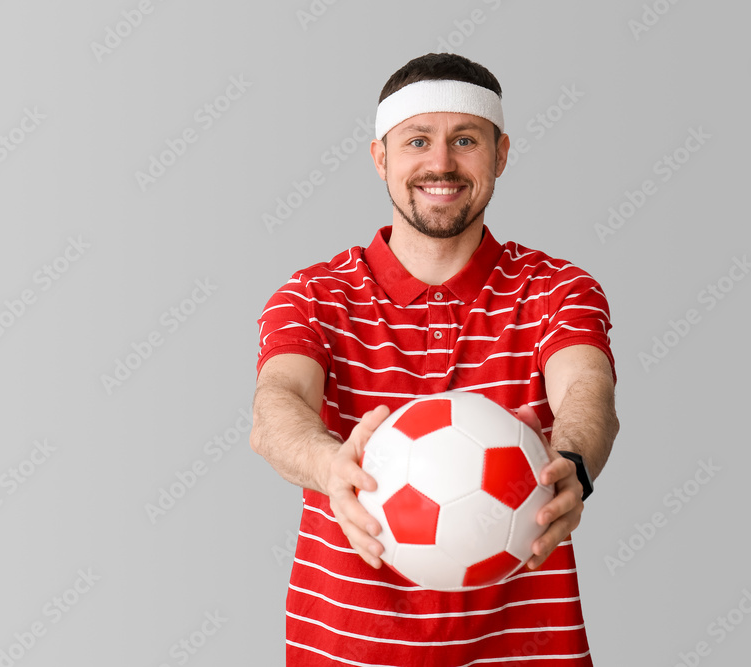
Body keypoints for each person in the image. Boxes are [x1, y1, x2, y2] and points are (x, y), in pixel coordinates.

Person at [251, 53, 619, 665]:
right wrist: (327, 463)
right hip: (346, 650)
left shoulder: (559, 289)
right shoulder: (313, 293)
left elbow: (587, 388)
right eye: (418, 140)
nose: (441, 163)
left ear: (500, 155)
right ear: (381, 159)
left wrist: (573, 465)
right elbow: (277, 405)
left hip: (526, 652)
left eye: (465, 140)